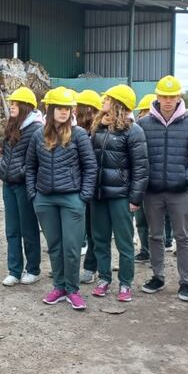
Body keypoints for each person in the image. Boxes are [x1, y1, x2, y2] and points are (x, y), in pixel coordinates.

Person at [25, 87, 97, 311]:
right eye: (60, 108)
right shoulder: (38, 135)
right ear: (50, 109)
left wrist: (83, 197)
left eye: (67, 108)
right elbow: (30, 167)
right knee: (55, 246)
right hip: (45, 200)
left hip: (72, 199)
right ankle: (59, 287)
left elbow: (90, 167)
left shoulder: (79, 135)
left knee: (72, 247)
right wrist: (34, 195)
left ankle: (73, 290)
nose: (64, 112)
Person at [137, 75, 188, 301]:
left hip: (179, 191)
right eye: (164, 96)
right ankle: (158, 276)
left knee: (182, 237)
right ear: (157, 96)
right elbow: (137, 156)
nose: (168, 101)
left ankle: (186, 282)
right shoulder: (144, 124)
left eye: (172, 96)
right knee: (154, 236)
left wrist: (187, 178)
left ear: (179, 97)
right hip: (153, 191)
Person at [88, 85, 148, 303]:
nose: (103, 100)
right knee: (100, 239)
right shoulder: (98, 127)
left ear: (117, 103)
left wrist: (135, 198)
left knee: (124, 242)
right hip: (99, 195)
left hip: (121, 196)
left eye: (107, 98)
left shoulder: (134, 131)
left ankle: (125, 283)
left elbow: (141, 168)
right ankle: (104, 279)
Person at [0, 87, 45, 287]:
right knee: (12, 229)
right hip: (8, 185)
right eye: (11, 103)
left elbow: (36, 161)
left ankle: (33, 269)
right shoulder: (12, 125)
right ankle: (14, 270)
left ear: (25, 106)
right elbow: (4, 153)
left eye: (15, 103)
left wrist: (20, 172)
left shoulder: (36, 130)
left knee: (29, 229)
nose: (11, 106)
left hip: (25, 187)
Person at [133, 94, 173, 261]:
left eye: (145, 111)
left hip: (156, 184)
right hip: (142, 183)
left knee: (158, 223)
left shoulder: (162, 130)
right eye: (142, 112)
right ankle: (145, 249)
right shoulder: (139, 128)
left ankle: (159, 251)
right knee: (141, 219)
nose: (143, 115)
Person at [75, 89, 104, 284]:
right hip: (77, 186)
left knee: (95, 231)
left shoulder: (100, 132)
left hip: (96, 188)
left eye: (80, 108)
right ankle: (68, 266)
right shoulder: (74, 131)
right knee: (77, 230)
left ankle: (91, 267)